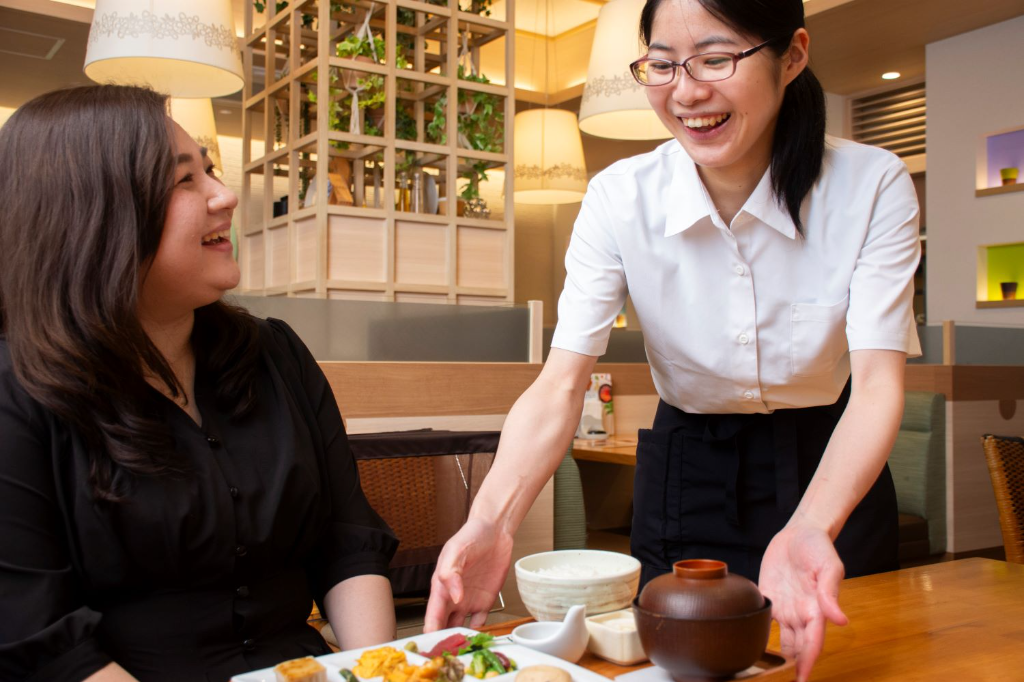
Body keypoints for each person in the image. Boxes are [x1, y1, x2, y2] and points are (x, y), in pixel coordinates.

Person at [424, 1, 920, 681]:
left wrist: (813, 525)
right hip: (689, 469)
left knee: (843, 668)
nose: (686, 92)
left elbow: (877, 387)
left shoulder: (871, 185)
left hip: (830, 469)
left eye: (716, 59)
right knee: (672, 670)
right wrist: (491, 522)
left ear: (793, 55)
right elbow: (560, 384)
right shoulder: (620, 198)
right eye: (661, 65)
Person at [0, 85, 398, 682]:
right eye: (185, 180)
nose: (226, 195)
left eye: (210, 170)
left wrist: (374, 675)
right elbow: (41, 641)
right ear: (95, 213)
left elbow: (348, 542)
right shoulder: (16, 391)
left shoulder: (276, 353)